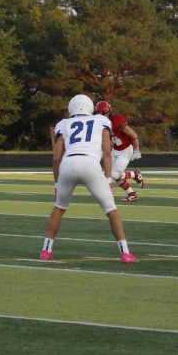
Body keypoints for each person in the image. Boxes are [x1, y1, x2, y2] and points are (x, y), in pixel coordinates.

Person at [39, 94, 137, 263]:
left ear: (71, 108)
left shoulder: (63, 124)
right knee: (111, 210)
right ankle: (125, 253)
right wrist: (107, 180)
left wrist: (56, 184)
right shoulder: (100, 121)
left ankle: (46, 251)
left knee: (59, 208)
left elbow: (56, 158)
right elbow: (106, 152)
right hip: (90, 164)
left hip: (68, 164)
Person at [95, 99, 144, 202]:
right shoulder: (101, 124)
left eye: (102, 114)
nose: (100, 117)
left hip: (125, 150)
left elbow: (133, 134)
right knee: (110, 173)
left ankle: (135, 174)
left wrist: (137, 149)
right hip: (115, 151)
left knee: (114, 174)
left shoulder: (116, 120)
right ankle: (132, 193)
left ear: (107, 112)